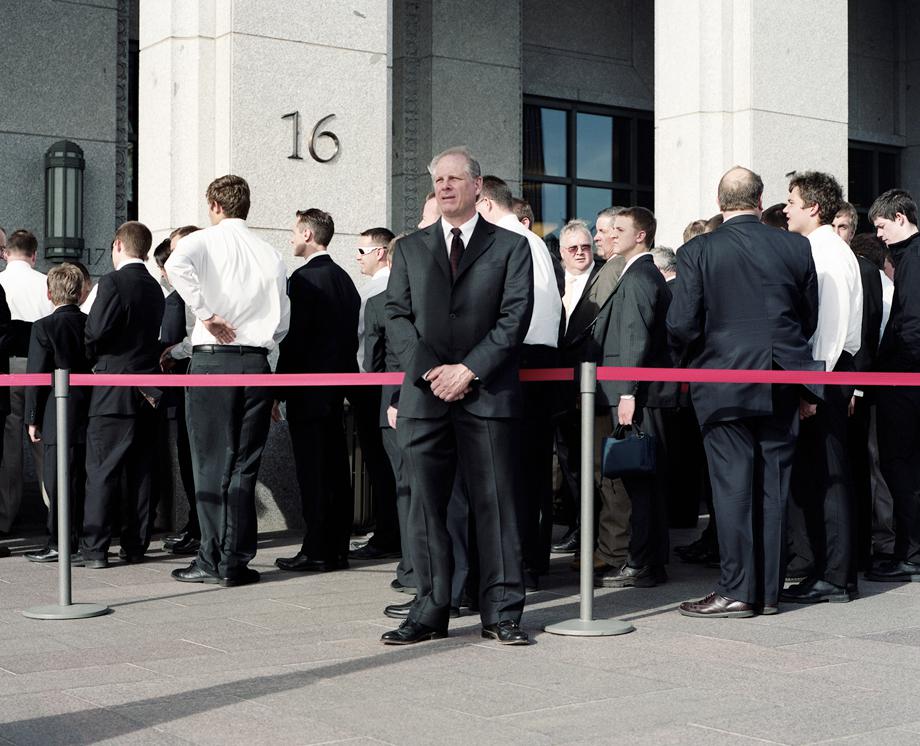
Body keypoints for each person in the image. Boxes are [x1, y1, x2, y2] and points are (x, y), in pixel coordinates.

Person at [382, 146, 533, 645]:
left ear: (476, 185)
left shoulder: (512, 248)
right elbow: (397, 319)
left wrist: (468, 370)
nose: (445, 186)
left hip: (487, 396)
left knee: (496, 506)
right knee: (428, 509)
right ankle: (430, 609)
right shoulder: (408, 249)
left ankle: (502, 612)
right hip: (426, 400)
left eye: (454, 178)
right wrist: (431, 373)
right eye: (438, 179)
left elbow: (514, 320)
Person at [669, 166, 820, 617]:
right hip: (781, 377)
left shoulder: (698, 249)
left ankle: (738, 590)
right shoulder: (795, 245)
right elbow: (807, 316)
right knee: (774, 487)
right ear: (760, 202)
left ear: (720, 203)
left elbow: (681, 323)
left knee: (732, 488)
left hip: (723, 382)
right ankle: (768, 592)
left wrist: (697, 354)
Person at [166, 174, 290, 586]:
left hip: (212, 363)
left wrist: (205, 313)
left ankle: (210, 557)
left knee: (209, 463)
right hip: (257, 363)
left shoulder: (203, 240)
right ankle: (234, 560)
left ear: (215, 206)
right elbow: (282, 323)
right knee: (243, 464)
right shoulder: (270, 253)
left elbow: (173, 264)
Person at [476, 175, 561, 585]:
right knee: (533, 470)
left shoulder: (504, 242)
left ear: (486, 204)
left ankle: (515, 564)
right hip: (543, 358)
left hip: (515, 358)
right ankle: (531, 559)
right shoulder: (537, 243)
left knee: (507, 470)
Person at [781, 171, 862, 603]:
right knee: (824, 474)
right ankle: (832, 572)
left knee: (826, 476)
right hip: (829, 373)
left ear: (813, 207)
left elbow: (829, 328)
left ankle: (832, 575)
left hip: (825, 374)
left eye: (792, 201)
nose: (787, 208)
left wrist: (811, 391)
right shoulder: (828, 248)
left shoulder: (825, 252)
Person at [593, 207, 678, 588]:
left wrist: (627, 391)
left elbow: (634, 337)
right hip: (638, 392)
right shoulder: (637, 273)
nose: (610, 235)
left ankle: (644, 562)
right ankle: (648, 560)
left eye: (619, 230)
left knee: (642, 481)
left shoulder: (640, 275)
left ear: (640, 235)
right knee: (644, 479)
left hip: (637, 394)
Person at [274, 209, 359, 573]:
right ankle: (336, 547)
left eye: (294, 231)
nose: (291, 238)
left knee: (314, 472)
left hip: (307, 390)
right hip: (337, 389)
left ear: (308, 234)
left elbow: (295, 340)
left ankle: (317, 549)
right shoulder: (344, 279)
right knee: (336, 470)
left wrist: (277, 387)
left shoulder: (304, 279)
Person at [80, 221, 165, 568]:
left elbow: (95, 330)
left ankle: (96, 548)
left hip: (113, 388)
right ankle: (135, 545)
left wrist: (91, 350)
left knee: (102, 471)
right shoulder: (155, 288)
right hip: (150, 390)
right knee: (142, 472)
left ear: (118, 244)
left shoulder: (113, 282)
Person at [557, 207, 630, 577]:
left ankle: (609, 548)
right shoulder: (552, 283)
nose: (584, 251)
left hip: (599, 391)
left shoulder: (610, 275)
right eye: (574, 248)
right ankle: (584, 538)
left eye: (588, 244)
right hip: (561, 392)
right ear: (561, 254)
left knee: (605, 472)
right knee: (575, 471)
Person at [864, 189, 920, 582]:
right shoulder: (910, 257)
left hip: (904, 383)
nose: (879, 235)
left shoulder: (913, 259)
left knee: (901, 466)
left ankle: (911, 553)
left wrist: (898, 370)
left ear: (900, 217)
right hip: (904, 379)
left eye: (882, 226)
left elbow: (912, 324)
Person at [23, 264, 90, 563]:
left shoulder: (43, 327)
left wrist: (31, 418)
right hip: (88, 409)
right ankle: (79, 538)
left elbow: (36, 377)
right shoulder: (91, 324)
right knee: (82, 477)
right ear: (80, 292)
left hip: (54, 410)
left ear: (49, 294)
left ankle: (57, 541)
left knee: (55, 478)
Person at [349, 226, 400, 561]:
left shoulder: (378, 292)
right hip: (382, 386)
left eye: (363, 251)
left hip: (376, 388)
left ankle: (387, 535)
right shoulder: (375, 289)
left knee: (382, 466)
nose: (358, 257)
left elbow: (369, 348)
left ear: (382, 252)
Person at [0, 229, 52, 535]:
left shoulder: (1, 282)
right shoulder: (45, 282)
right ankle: (53, 516)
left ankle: (5, 518)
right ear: (34, 254)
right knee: (42, 444)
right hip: (38, 369)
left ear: (8, 252)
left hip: (6, 370)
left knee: (8, 451)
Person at [156, 226, 200, 556]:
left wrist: (170, 352)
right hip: (195, 383)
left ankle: (198, 528)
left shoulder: (180, 296)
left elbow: (173, 340)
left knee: (192, 459)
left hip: (190, 385)